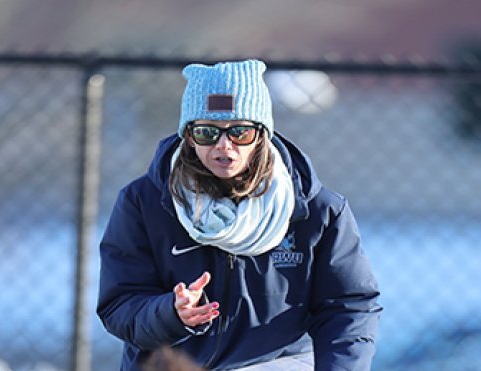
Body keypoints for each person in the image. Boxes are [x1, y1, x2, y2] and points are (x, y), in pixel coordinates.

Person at [97, 59, 382, 371]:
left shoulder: (316, 209)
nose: (224, 146)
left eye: (240, 132)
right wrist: (171, 313)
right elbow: (120, 305)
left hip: (278, 364)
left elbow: (348, 306)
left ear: (261, 134)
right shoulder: (144, 202)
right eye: (207, 132)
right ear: (189, 136)